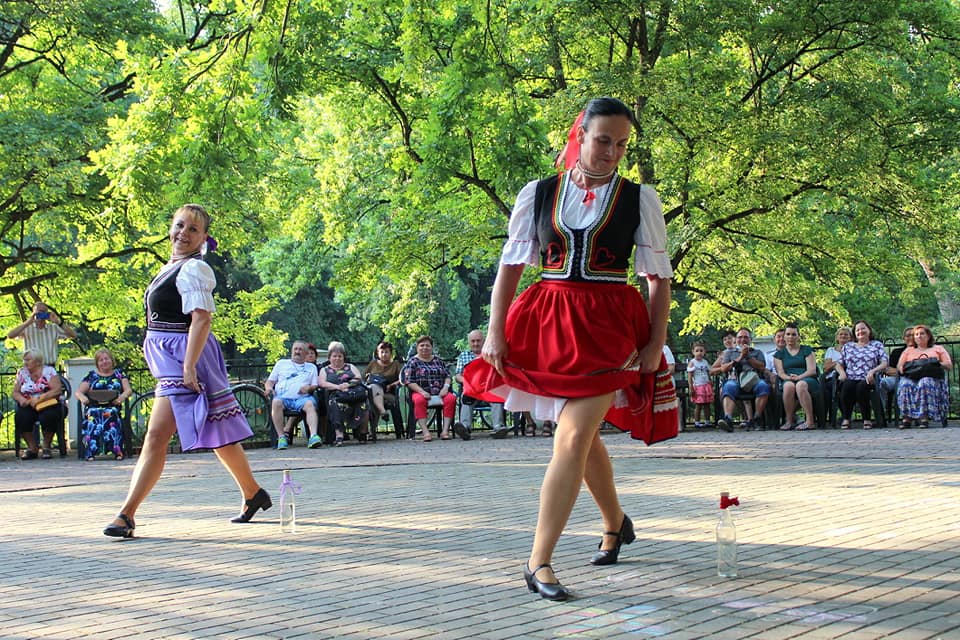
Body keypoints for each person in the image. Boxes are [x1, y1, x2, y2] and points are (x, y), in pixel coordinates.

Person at [463, 97, 676, 601]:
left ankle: (537, 561)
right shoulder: (538, 193)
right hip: (549, 325)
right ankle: (615, 522)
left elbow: (658, 279)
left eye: (621, 144)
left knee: (574, 434)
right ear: (580, 134)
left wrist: (655, 342)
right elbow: (510, 269)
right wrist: (495, 331)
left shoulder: (639, 199)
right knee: (581, 436)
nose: (612, 152)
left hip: (609, 331)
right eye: (603, 140)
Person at [103, 204, 270, 538]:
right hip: (174, 358)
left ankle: (127, 514)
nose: (184, 233)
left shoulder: (195, 268)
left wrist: (189, 366)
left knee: (156, 435)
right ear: (171, 227)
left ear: (204, 237)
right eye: (180, 225)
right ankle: (253, 493)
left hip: (184, 358)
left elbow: (202, 318)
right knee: (215, 430)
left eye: (193, 229)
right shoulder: (172, 267)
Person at [75, 348, 133, 461]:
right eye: (101, 360)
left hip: (113, 406)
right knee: (93, 414)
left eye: (106, 359)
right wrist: (83, 398)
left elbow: (128, 390)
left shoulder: (119, 374)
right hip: (94, 407)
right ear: (97, 363)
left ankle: (117, 450)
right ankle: (90, 452)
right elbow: (78, 392)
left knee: (111, 413)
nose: (104, 362)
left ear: (112, 360)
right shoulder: (92, 376)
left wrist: (121, 397)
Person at [266, 340, 322, 450]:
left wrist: (309, 388)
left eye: (300, 349)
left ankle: (313, 436)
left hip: (302, 398)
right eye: (295, 349)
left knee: (310, 404)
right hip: (283, 398)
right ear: (291, 351)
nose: (297, 351)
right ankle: (281, 437)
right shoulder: (281, 363)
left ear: (305, 353)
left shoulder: (311, 367)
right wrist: (268, 388)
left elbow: (315, 385)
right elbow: (270, 382)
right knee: (276, 402)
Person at [453, 330, 508, 440]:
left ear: (483, 341)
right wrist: (468, 383)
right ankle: (465, 428)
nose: (476, 343)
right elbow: (458, 375)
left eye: (478, 341)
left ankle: (498, 428)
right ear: (469, 342)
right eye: (473, 341)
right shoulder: (463, 356)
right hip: (472, 390)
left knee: (497, 397)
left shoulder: (491, 354)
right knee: (466, 398)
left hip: (488, 388)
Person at [716, 328, 771, 432]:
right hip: (735, 380)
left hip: (753, 380)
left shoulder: (757, 352)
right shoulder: (729, 353)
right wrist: (741, 356)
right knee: (728, 386)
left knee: (763, 386)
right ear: (736, 339)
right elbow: (723, 368)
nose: (743, 339)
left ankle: (756, 419)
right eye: (740, 337)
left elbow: (761, 367)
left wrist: (748, 356)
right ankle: (728, 419)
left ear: (750, 339)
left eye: (746, 337)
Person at [402, 335, 456, 441]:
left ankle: (445, 431)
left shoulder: (438, 360)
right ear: (417, 347)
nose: (424, 348)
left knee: (451, 399)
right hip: (420, 392)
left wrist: (445, 388)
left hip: (440, 392)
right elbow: (409, 381)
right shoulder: (413, 362)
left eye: (427, 345)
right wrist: (422, 392)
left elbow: (448, 376)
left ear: (431, 347)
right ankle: (425, 432)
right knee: (419, 401)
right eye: (422, 345)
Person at [835, 320, 887, 429]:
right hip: (850, 377)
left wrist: (872, 371)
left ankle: (866, 419)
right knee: (847, 386)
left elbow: (884, 363)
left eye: (863, 328)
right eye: (857, 330)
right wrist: (842, 372)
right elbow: (838, 364)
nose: (860, 331)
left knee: (861, 387)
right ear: (854, 333)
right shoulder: (848, 346)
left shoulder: (876, 345)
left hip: (868, 378)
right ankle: (846, 418)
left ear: (869, 330)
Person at [897, 325, 952, 429]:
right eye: (916, 334)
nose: (919, 336)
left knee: (924, 382)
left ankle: (924, 417)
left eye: (922, 333)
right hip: (912, 377)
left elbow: (948, 365)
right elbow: (900, 366)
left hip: (932, 379)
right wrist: (907, 369)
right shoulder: (908, 350)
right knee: (905, 384)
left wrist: (936, 363)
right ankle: (907, 418)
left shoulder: (938, 349)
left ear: (928, 336)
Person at [12, 350, 63, 460]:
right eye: (24, 360)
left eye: (28, 360)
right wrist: (21, 399)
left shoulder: (49, 371)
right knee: (21, 416)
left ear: (38, 362)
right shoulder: (22, 373)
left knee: (49, 416)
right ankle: (32, 447)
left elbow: (57, 390)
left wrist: (39, 399)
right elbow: (15, 392)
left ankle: (46, 446)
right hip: (29, 404)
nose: (25, 362)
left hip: (48, 403)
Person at [319, 341, 369, 446]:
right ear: (329, 357)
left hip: (352, 393)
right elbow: (322, 383)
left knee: (363, 404)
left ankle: (363, 433)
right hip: (336, 395)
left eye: (340, 356)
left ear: (344, 357)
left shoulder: (350, 367)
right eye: (334, 356)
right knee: (335, 404)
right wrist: (338, 387)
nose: (337, 358)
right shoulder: (324, 370)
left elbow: (358, 378)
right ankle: (339, 435)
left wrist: (348, 385)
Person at [773, 323, 820, 430]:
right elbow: (781, 373)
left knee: (800, 385)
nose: (790, 337)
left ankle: (810, 421)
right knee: (788, 386)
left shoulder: (807, 350)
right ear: (784, 336)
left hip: (807, 379)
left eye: (794, 334)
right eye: (788, 334)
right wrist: (789, 378)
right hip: (789, 379)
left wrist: (799, 377)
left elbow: (812, 370)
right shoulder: (779, 354)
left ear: (798, 336)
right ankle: (789, 421)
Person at [6, 300, 77, 367]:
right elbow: (10, 335)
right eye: (38, 312)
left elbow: (73, 335)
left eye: (43, 312)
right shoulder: (26, 329)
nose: (41, 314)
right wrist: (28, 322)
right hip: (32, 368)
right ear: (33, 313)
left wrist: (58, 322)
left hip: (49, 367)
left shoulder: (54, 328)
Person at [364, 341, 404, 440]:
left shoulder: (395, 364)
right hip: (373, 391)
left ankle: (371, 432)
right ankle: (382, 411)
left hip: (388, 393)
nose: (384, 354)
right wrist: (369, 377)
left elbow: (402, 379)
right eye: (381, 352)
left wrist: (391, 385)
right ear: (377, 353)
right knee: (374, 388)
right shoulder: (373, 364)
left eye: (386, 352)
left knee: (375, 400)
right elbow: (364, 377)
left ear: (391, 353)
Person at [880, 326, 914, 417]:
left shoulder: (921, 351)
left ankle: (908, 416)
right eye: (908, 336)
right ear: (904, 338)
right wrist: (909, 371)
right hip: (896, 379)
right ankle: (881, 414)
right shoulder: (897, 352)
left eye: (913, 335)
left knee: (906, 384)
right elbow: (888, 370)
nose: (911, 337)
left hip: (914, 379)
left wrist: (901, 371)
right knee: (881, 382)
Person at [822, 326, 852, 427]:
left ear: (851, 338)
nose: (843, 336)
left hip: (847, 378)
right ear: (837, 337)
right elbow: (826, 368)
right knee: (829, 388)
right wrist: (836, 364)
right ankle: (827, 418)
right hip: (831, 379)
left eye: (846, 335)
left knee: (843, 387)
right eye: (841, 334)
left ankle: (845, 416)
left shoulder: (852, 350)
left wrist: (834, 363)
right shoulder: (831, 350)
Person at [686, 341, 713, 428]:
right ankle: (697, 422)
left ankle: (707, 421)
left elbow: (708, 372)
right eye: (697, 351)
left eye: (701, 351)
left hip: (706, 385)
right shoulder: (692, 362)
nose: (699, 353)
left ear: (704, 352)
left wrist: (710, 381)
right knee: (698, 405)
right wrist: (691, 387)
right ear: (693, 352)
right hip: (698, 386)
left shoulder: (705, 362)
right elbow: (690, 376)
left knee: (707, 404)